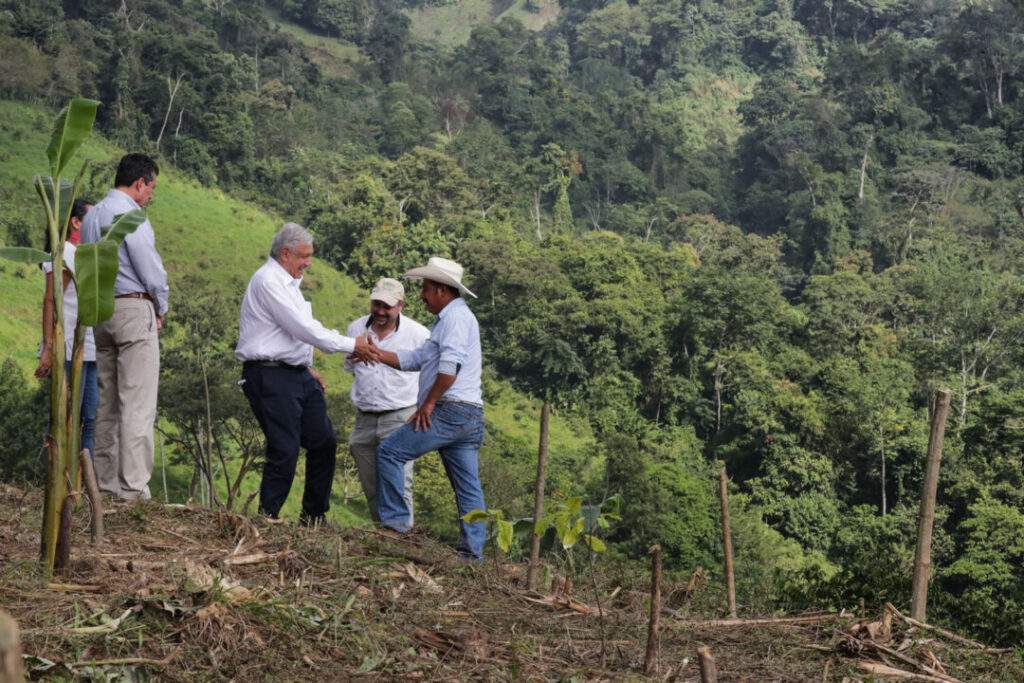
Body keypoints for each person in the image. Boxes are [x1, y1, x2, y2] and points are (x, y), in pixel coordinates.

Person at [235, 222, 376, 526]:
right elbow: (303, 328)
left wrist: (306, 366)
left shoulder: (289, 284)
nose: (308, 262)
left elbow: (291, 335)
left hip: (296, 374)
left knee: (323, 441)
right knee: (284, 446)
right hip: (270, 375)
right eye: (304, 256)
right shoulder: (269, 281)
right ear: (285, 253)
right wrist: (352, 344)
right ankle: (267, 518)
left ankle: (313, 515)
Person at [367, 257, 487, 560]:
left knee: (390, 452)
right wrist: (376, 354)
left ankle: (394, 528)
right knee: (467, 485)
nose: (422, 295)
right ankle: (473, 554)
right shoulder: (450, 319)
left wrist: (429, 403)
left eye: (426, 288)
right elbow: (417, 359)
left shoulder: (455, 319)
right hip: (470, 414)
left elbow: (449, 370)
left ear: (441, 290)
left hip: (451, 409)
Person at [81, 153, 168, 501]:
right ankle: (133, 489)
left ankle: (104, 485)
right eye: (151, 189)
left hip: (101, 310)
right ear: (139, 184)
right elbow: (151, 269)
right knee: (137, 402)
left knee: (107, 404)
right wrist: (161, 306)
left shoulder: (92, 216)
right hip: (134, 307)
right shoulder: (131, 215)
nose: (150, 196)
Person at [344, 278, 429, 524]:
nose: (380, 311)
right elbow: (350, 367)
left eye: (387, 306)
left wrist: (424, 408)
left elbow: (430, 374)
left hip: (400, 415)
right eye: (376, 304)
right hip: (364, 417)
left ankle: (402, 539)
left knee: (399, 483)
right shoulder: (356, 329)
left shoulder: (418, 334)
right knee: (370, 484)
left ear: (400, 305)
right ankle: (383, 534)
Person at [35, 199, 98, 456]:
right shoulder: (66, 253)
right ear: (76, 222)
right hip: (71, 350)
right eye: (93, 220)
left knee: (89, 418)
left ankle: (85, 483)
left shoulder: (91, 255)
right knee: (68, 416)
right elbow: (51, 300)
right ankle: (62, 479)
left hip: (92, 349)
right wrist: (48, 347)